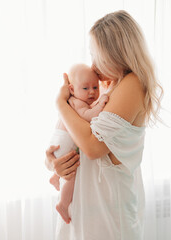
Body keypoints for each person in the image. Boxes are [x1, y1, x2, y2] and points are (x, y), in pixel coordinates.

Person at [45, 10, 163, 240]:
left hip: (108, 215)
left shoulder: (132, 84)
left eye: (96, 54)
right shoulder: (107, 87)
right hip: (86, 207)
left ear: (114, 53)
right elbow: (72, 135)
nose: (92, 63)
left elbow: (92, 147)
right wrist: (55, 163)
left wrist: (61, 103)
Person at [49, 63, 109, 224]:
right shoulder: (77, 103)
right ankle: (63, 203)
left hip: (60, 143)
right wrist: (101, 103)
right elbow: (88, 115)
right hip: (63, 144)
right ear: (72, 89)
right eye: (85, 88)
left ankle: (55, 177)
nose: (92, 92)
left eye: (95, 87)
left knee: (67, 166)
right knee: (72, 174)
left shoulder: (75, 101)